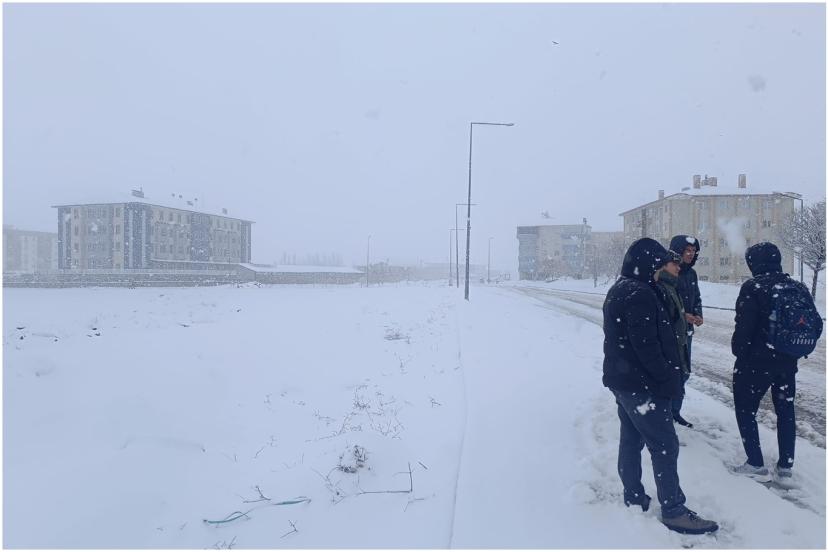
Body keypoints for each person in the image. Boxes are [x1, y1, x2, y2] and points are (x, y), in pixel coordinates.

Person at [602, 238, 718, 535]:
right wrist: (668, 380)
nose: (668, 267)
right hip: (642, 386)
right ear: (649, 264)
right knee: (664, 445)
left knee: (631, 439)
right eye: (662, 263)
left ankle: (633, 495)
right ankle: (674, 510)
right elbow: (647, 347)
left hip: (624, 381)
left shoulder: (622, 287)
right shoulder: (639, 294)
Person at [731, 242, 822, 481]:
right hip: (787, 362)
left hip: (756, 363)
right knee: (785, 410)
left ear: (754, 263)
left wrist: (739, 352)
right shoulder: (797, 287)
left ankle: (755, 463)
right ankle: (785, 466)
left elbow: (744, 329)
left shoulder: (753, 287)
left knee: (745, 409)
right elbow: (816, 325)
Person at [668, 235, 704, 427]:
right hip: (671, 332)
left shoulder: (692, 274)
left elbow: (696, 297)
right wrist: (683, 316)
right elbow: (666, 303)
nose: (690, 254)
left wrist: (698, 314)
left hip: (687, 332)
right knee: (673, 372)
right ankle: (666, 412)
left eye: (693, 251)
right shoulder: (669, 271)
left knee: (684, 372)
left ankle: (675, 411)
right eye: (687, 250)